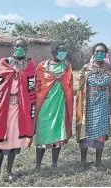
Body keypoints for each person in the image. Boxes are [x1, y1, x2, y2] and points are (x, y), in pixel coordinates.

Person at [0, 38, 35, 181]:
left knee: (15, 139)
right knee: (1, 140)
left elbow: (30, 88)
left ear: (26, 49)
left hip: (20, 109)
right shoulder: (5, 63)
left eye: (22, 46)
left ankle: (9, 171)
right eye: (17, 46)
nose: (19, 48)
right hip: (3, 108)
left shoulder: (29, 65)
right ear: (13, 48)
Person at [34, 41, 73, 172]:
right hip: (44, 106)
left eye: (65, 50)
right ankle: (38, 165)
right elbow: (37, 87)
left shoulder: (67, 66)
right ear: (54, 52)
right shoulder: (42, 67)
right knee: (42, 134)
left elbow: (69, 85)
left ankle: (54, 164)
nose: (64, 53)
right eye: (62, 51)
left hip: (60, 106)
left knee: (58, 133)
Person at [75, 43, 111, 171]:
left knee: (101, 134)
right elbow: (80, 88)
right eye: (97, 51)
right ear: (93, 53)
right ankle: (82, 163)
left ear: (106, 54)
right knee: (85, 133)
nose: (99, 53)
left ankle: (98, 162)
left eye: (102, 51)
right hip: (89, 106)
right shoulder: (86, 68)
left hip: (103, 106)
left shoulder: (109, 69)